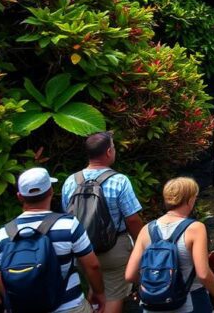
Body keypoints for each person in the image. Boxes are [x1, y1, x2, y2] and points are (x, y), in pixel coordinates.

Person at [0, 167, 106, 313]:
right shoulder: (69, 225)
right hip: (69, 307)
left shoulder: (3, 234)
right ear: (51, 192)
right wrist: (99, 293)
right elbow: (92, 266)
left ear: (20, 197)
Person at [62, 131, 144, 313]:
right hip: (114, 250)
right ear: (108, 152)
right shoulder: (119, 181)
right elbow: (132, 219)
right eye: (113, 147)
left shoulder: (70, 182)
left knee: (96, 291)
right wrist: (142, 245)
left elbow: (68, 219)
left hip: (83, 252)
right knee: (113, 296)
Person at [125, 178, 214, 313]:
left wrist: (156, 286)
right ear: (189, 200)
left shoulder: (147, 229)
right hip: (190, 301)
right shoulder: (195, 228)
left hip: (153, 305)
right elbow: (203, 273)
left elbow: (130, 275)